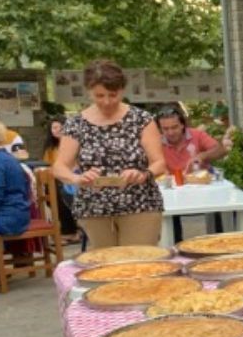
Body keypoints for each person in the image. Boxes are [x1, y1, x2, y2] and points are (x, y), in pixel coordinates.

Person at [53, 59, 167, 249]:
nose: (106, 101)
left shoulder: (141, 119)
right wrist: (77, 178)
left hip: (140, 205)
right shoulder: (76, 124)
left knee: (139, 264)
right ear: (89, 90)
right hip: (94, 208)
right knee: (105, 267)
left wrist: (142, 174)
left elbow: (159, 163)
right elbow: (59, 167)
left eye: (113, 95)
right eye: (99, 95)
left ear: (122, 90)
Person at [41, 116, 81, 243]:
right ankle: (68, 229)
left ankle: (70, 231)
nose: (57, 130)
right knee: (50, 191)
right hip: (56, 179)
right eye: (54, 127)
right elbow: (47, 165)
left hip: (73, 179)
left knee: (60, 193)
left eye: (60, 127)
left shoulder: (74, 144)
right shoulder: (50, 148)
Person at [157, 106, 227, 176]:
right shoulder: (156, 143)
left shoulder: (197, 135)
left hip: (200, 181)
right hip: (172, 183)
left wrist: (202, 156)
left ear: (182, 125)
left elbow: (221, 151)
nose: (170, 133)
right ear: (160, 129)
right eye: (165, 129)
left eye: (174, 127)